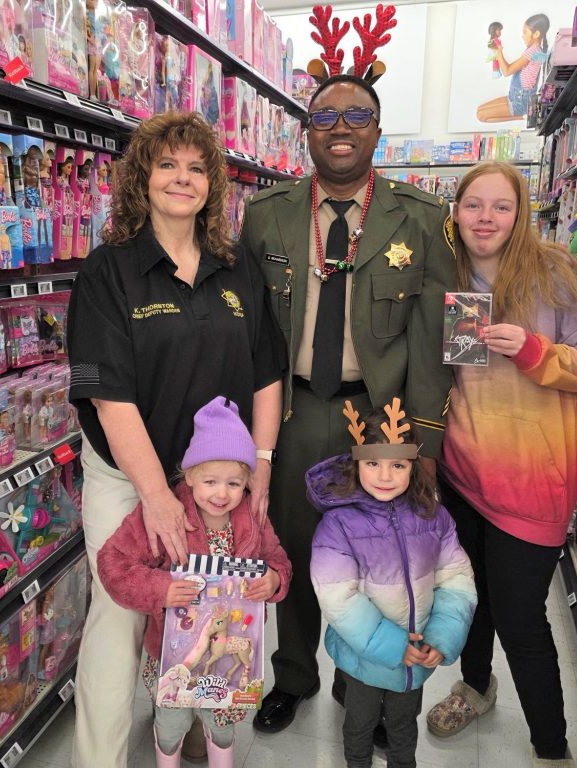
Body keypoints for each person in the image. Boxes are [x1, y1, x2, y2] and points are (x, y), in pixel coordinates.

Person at [66, 112, 285, 768]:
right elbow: (110, 395)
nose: (182, 179)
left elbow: (268, 371)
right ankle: (99, 759)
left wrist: (263, 470)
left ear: (213, 184)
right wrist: (156, 495)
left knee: (213, 603)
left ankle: (191, 727)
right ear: (142, 178)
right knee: (120, 618)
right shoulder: (109, 272)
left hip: (217, 485)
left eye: (196, 168)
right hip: (130, 477)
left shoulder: (235, 264)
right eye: (167, 165)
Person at [240, 72, 456, 735]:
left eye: (357, 114)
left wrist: (423, 445)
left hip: (380, 420)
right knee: (296, 549)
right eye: (325, 116)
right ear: (305, 130)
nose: (340, 127)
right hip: (294, 413)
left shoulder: (421, 218)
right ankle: (295, 674)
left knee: (379, 564)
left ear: (378, 131)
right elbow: (245, 332)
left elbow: (439, 341)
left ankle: (366, 685)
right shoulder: (265, 213)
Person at [424, 161, 577, 766]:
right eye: (473, 204)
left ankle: (551, 745)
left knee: (520, 619)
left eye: (501, 206)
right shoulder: (444, 274)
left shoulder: (554, 275)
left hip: (533, 487)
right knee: (471, 598)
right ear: (454, 210)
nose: (486, 218)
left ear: (521, 213)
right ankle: (476, 688)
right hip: (463, 476)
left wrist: (538, 351)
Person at [97, 397, 292, 767]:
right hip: (173, 655)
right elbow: (112, 562)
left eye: (234, 483)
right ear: (188, 475)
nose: (222, 494)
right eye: (210, 481)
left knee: (222, 729)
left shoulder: (252, 517)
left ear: (249, 480)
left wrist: (274, 579)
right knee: (170, 725)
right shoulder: (164, 512)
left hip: (231, 658)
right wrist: (160, 588)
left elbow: (278, 560)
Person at [310, 401, 476, 768]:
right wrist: (392, 646)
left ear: (413, 467)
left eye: (397, 465)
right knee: (359, 726)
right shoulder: (338, 526)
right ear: (356, 463)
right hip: (364, 660)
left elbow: (456, 579)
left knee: (404, 729)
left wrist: (441, 637)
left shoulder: (433, 516)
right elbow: (337, 596)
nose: (385, 476)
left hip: (415, 659)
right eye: (373, 463)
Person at [476, 14, 550, 123]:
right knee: (479, 111)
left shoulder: (532, 51)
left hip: (520, 101)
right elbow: (510, 68)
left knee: (481, 116)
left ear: (536, 34)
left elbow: (506, 72)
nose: (522, 36)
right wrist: (499, 52)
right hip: (516, 96)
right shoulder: (536, 49)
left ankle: (523, 116)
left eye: (525, 32)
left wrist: (498, 51)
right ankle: (523, 116)